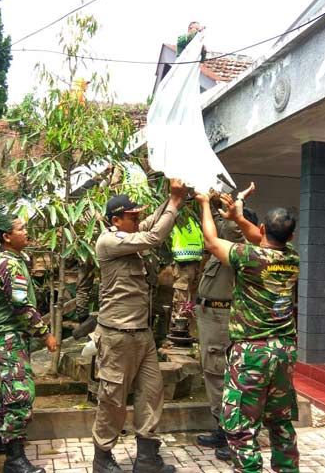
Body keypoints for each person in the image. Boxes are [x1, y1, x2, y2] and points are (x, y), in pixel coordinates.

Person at [196, 191, 301, 473]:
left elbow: (211, 241)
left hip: (253, 353)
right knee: (280, 422)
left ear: (264, 228)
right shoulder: (292, 257)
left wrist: (206, 204)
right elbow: (261, 238)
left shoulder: (248, 256)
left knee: (241, 425)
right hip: (284, 352)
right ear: (290, 238)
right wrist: (240, 218)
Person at [91, 180, 187, 473]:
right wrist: (172, 202)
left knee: (151, 394)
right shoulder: (109, 242)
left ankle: (146, 458)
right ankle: (103, 458)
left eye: (136, 216)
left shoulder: (128, 234)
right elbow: (155, 235)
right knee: (112, 400)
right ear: (115, 220)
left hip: (142, 335)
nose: (137, 220)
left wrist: (175, 200)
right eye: (131, 216)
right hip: (117, 337)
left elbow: (150, 223)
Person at [0, 218, 58, 473]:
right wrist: (45, 335)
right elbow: (21, 306)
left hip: (12, 338)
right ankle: (14, 460)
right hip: (8, 339)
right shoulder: (10, 264)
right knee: (21, 395)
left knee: (9, 393)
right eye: (21, 229)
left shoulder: (16, 259)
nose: (26, 232)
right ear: (6, 237)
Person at [194, 184, 255, 461]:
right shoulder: (227, 249)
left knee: (220, 373)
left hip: (221, 317)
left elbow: (218, 232)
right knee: (213, 371)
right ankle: (222, 427)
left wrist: (220, 205)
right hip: (211, 316)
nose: (223, 221)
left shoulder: (237, 250)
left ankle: (232, 433)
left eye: (230, 218)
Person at [169, 215, 204, 323]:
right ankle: (177, 328)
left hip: (195, 260)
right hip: (183, 261)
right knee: (182, 299)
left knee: (188, 299)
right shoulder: (179, 215)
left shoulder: (194, 217)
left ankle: (184, 327)